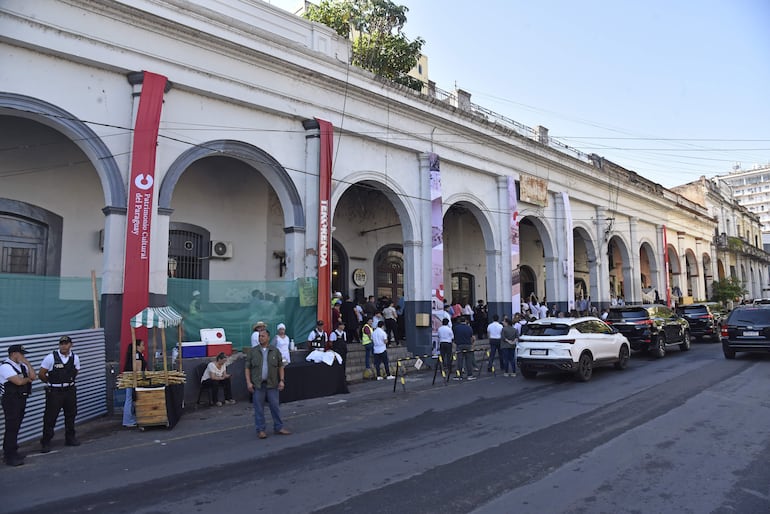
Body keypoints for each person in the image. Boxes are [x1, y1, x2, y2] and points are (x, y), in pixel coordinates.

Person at [38, 335, 81, 452]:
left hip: (70, 390)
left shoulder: (75, 358)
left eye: (66, 343)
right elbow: (41, 374)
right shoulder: (51, 358)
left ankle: (70, 438)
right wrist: (51, 382)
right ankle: (46, 442)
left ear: (71, 345)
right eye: (61, 343)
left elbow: (76, 371)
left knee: (71, 415)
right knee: (50, 417)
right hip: (55, 392)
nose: (63, 346)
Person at [245, 329, 290, 439]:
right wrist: (248, 383)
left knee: (275, 407)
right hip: (258, 385)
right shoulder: (253, 351)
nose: (261, 338)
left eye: (263, 336)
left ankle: (278, 427)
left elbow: (281, 366)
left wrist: (282, 380)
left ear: (268, 337)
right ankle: (260, 430)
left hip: (272, 384)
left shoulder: (275, 351)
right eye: (260, 336)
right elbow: (247, 368)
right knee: (258, 408)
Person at [1, 344, 35, 466]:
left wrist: (28, 363)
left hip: (21, 399)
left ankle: (14, 451)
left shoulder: (22, 365)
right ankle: (9, 456)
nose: (23, 356)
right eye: (21, 354)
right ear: (14, 354)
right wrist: (26, 379)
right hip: (11, 401)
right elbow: (19, 381)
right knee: (11, 427)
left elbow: (33, 376)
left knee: (16, 427)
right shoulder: (5, 366)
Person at [122, 339, 147, 428]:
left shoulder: (137, 354)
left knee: (131, 399)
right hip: (131, 379)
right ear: (137, 346)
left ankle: (130, 418)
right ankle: (127, 420)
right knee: (129, 398)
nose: (144, 346)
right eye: (142, 345)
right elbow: (138, 369)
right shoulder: (136, 355)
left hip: (130, 378)